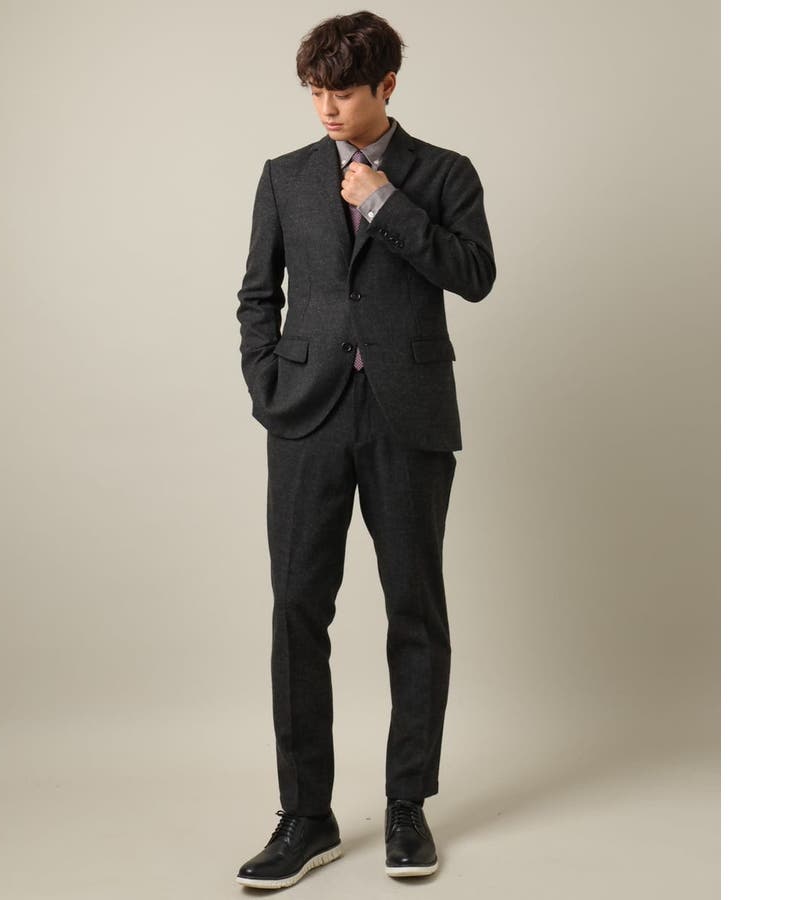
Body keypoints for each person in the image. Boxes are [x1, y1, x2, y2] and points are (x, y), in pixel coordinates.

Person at [234, 9, 496, 889]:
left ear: (387, 86)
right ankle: (305, 816)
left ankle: (407, 806)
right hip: (305, 417)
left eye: (341, 93)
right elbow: (257, 294)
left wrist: (384, 204)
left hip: (407, 417)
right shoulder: (283, 176)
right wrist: (266, 382)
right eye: (314, 92)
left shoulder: (445, 173)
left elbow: (474, 275)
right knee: (296, 611)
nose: (325, 109)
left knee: (415, 612)